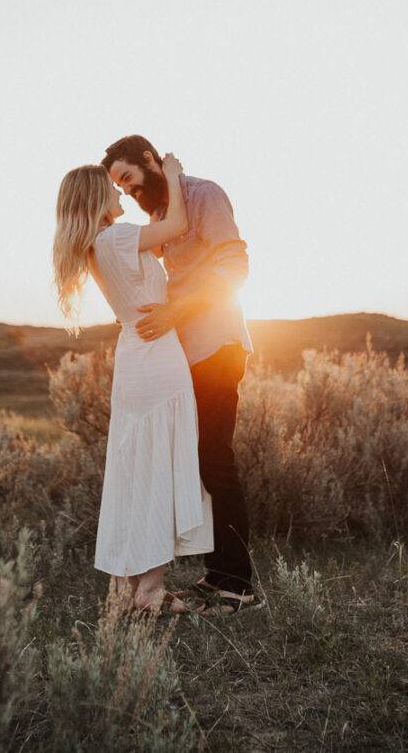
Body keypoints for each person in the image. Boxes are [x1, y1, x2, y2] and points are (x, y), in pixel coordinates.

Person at [101, 135, 260, 614]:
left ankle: (239, 587)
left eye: (129, 178)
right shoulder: (159, 217)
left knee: (215, 458)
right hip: (182, 354)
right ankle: (217, 576)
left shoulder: (204, 195)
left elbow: (235, 263)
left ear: (151, 161)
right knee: (197, 462)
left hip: (218, 343)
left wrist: (178, 310)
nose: (127, 192)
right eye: (119, 187)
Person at [52, 154, 213, 613]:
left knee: (134, 469)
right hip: (157, 357)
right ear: (95, 200)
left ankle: (127, 586)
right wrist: (175, 175)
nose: (121, 193)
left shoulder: (98, 246)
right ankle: (150, 588)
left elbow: (161, 249)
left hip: (133, 357)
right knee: (158, 464)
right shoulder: (119, 237)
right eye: (112, 189)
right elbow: (178, 225)